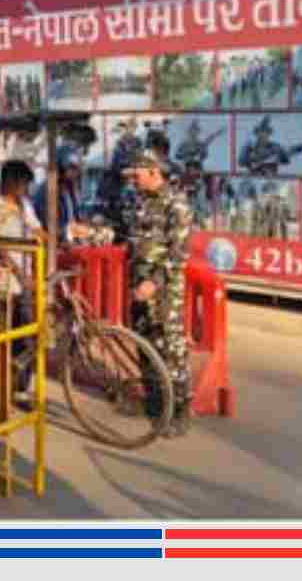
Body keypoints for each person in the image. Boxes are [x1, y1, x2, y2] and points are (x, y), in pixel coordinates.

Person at [125, 148, 194, 436]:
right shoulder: (140, 202)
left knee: (171, 350)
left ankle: (179, 411)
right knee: (145, 346)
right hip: (138, 286)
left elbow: (179, 253)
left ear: (154, 171)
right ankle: (155, 405)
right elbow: (129, 239)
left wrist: (154, 281)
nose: (134, 179)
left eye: (138, 174)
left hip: (164, 291)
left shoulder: (176, 204)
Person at [0, 160, 47, 411]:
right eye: (23, 184)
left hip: (26, 281)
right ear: (10, 182)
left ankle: (20, 389)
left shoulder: (25, 206)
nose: (25, 188)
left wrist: (50, 238)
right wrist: (21, 274)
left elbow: (37, 231)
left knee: (28, 337)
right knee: (6, 337)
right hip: (6, 282)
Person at [34, 145, 87, 244]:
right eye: (71, 168)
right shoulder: (47, 191)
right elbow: (47, 225)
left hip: (73, 243)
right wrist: (68, 231)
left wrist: (86, 227)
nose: (75, 173)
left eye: (77, 169)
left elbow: (80, 217)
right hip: (52, 245)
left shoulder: (72, 191)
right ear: (60, 168)